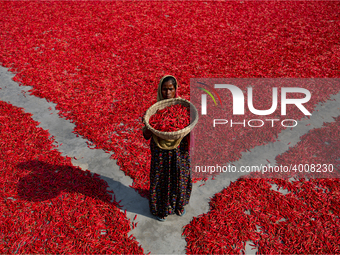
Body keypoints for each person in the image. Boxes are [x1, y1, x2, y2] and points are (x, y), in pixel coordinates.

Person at [142, 75, 192, 221]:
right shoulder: (153, 111)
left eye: (170, 89)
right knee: (161, 178)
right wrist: (149, 126)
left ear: (175, 90)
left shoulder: (183, 108)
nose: (167, 93)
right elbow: (145, 135)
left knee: (180, 176)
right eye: (164, 89)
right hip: (160, 151)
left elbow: (190, 126)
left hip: (179, 150)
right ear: (160, 90)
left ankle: (178, 205)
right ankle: (160, 209)